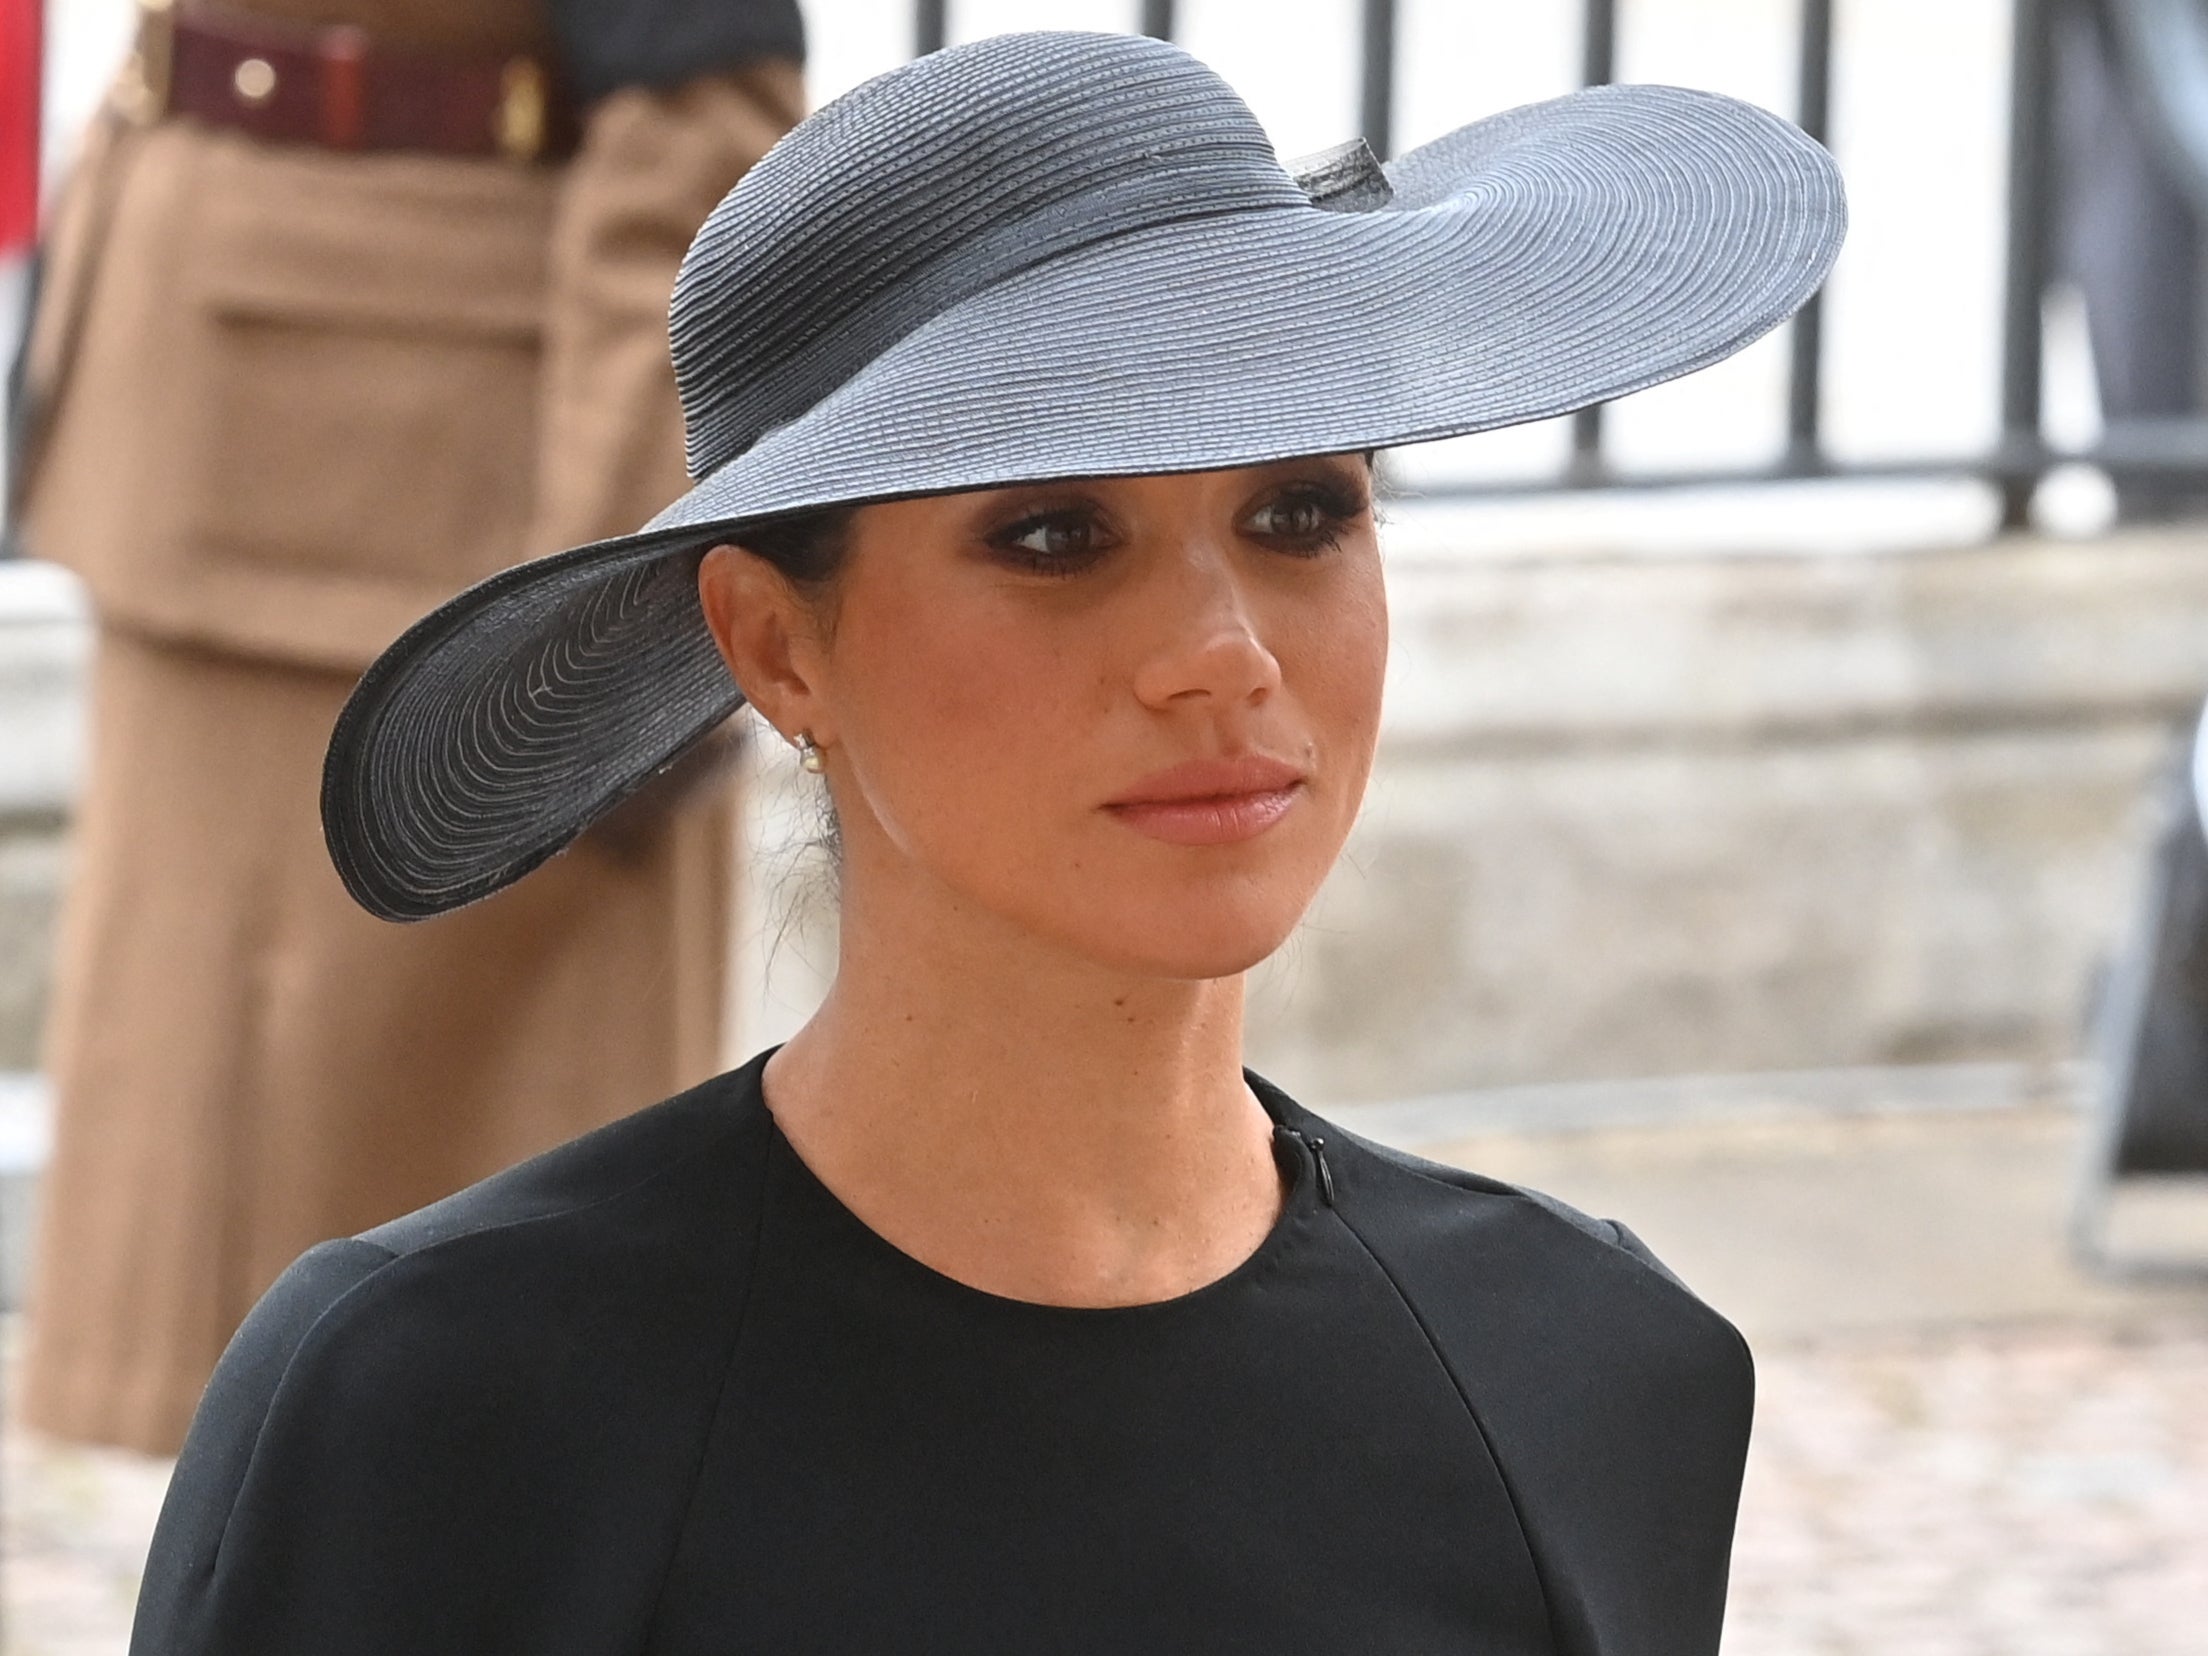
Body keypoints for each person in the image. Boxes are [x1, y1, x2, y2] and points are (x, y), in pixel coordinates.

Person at [131, 30, 1845, 1655]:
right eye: (1053, 533)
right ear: (778, 647)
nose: (1225, 651)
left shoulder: (1593, 1371)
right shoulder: (442, 1407)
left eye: (1302, 513)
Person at [8, 0, 804, 1456]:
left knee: (494, 1332)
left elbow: (694, 117)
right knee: (225, 1292)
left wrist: (612, 607)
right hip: (211, 389)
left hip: (456, 505)